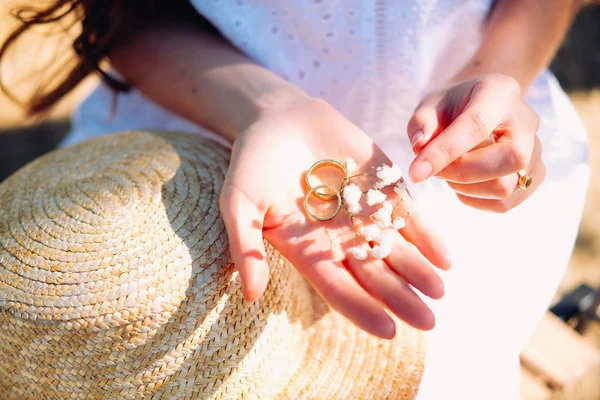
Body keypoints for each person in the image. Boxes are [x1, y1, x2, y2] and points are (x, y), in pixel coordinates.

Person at [0, 0, 590, 398]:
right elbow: (124, 12)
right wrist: (266, 108)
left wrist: (497, 74)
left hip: (427, 154)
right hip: (207, 113)